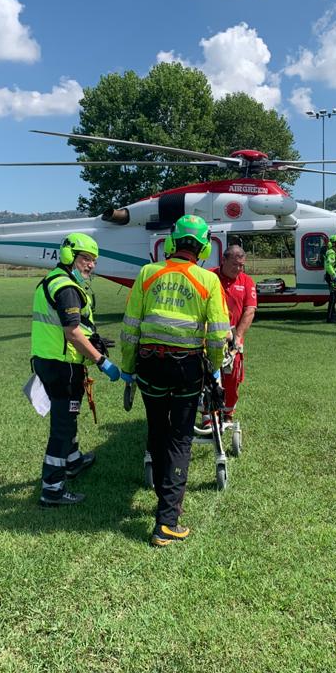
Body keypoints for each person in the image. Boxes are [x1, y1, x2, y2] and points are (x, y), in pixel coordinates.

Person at [119, 215, 230, 547]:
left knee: (157, 428)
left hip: (149, 366)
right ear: (205, 248)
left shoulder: (147, 273)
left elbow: (130, 327)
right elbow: (218, 336)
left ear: (172, 242)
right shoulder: (207, 281)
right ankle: (166, 522)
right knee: (181, 438)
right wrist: (212, 369)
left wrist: (127, 368)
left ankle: (161, 489)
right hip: (186, 369)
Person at [31, 233, 120, 506]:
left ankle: (73, 460)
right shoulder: (67, 287)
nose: (91, 265)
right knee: (62, 425)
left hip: (49, 360)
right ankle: (52, 489)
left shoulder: (54, 279)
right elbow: (72, 333)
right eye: (85, 259)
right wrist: (101, 361)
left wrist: (93, 337)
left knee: (67, 416)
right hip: (63, 366)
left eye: (93, 260)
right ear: (70, 257)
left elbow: (75, 326)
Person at [209, 243, 257, 425]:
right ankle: (208, 414)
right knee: (207, 376)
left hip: (233, 339)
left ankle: (228, 414)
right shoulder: (209, 276)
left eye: (242, 265)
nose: (238, 269)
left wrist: (238, 337)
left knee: (231, 378)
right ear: (223, 260)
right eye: (235, 264)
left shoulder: (246, 282)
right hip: (209, 336)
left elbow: (249, 310)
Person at [324, 234, 336, 323]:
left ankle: (333, 316)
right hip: (333, 278)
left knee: (334, 296)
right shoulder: (331, 252)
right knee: (333, 297)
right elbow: (328, 266)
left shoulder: (334, 251)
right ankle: (330, 318)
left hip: (335, 277)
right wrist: (335, 276)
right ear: (333, 243)